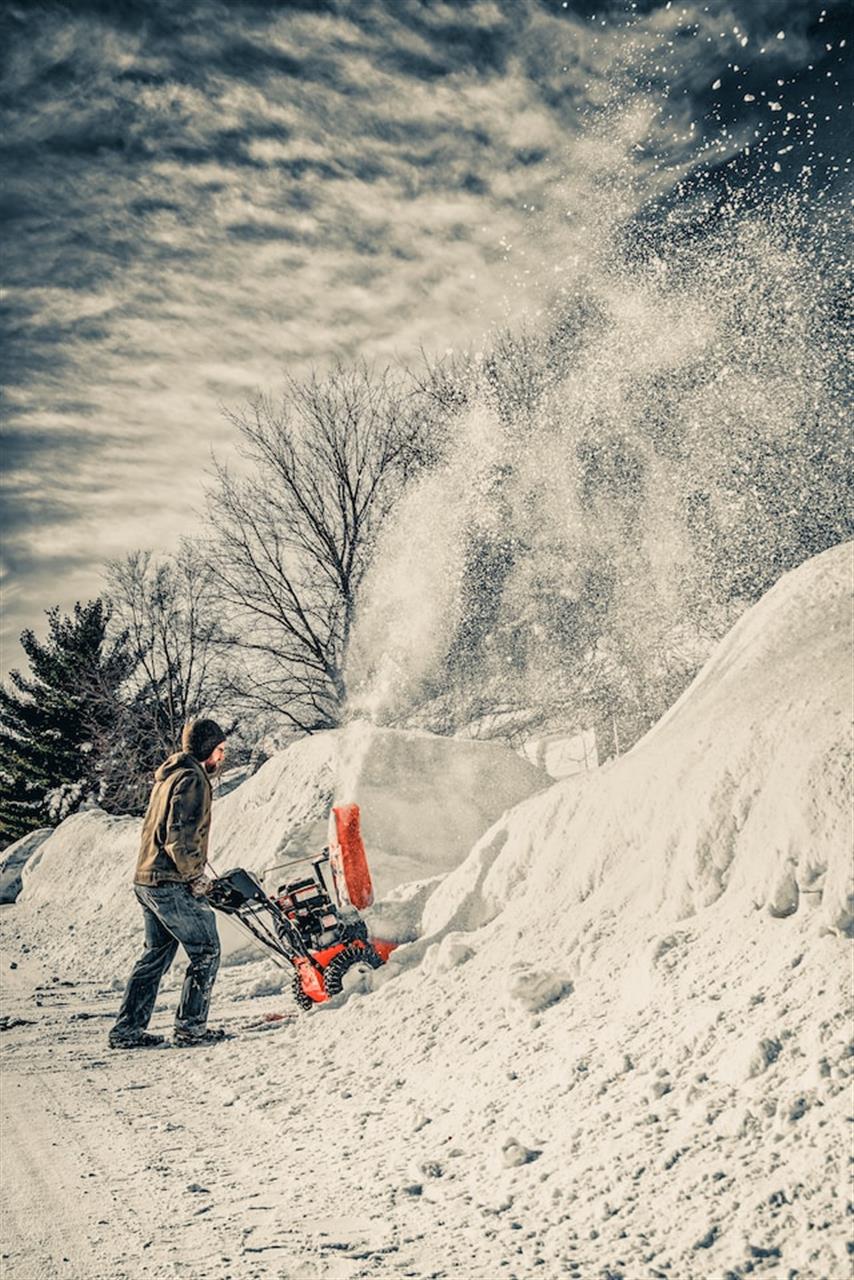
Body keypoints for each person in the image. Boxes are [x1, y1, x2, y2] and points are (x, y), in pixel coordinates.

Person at [109, 718, 228, 1049]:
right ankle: (191, 1028)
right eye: (220, 750)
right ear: (207, 750)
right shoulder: (193, 779)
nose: (222, 757)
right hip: (169, 881)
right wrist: (195, 877)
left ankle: (127, 1032)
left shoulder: (169, 776)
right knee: (206, 950)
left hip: (147, 878)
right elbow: (179, 833)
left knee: (155, 955)